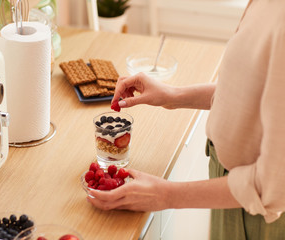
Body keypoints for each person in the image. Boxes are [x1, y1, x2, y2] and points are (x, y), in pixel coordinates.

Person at [87, 0, 285, 239]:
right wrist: (173, 95)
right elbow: (254, 91)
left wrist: (167, 195)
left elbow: (274, 186)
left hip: (257, 213)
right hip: (231, 188)